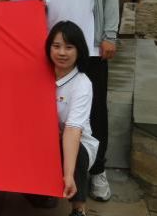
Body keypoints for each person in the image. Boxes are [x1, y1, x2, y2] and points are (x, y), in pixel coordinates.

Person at [28, 0, 119, 201]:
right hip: (54, 51)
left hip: (91, 47)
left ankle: (98, 170)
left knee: (96, 111)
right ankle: (51, 169)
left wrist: (109, 35)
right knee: (50, 111)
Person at [46, 20, 99, 216]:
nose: (62, 53)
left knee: (75, 153)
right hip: (45, 138)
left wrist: (68, 175)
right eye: (56, 46)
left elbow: (73, 130)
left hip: (76, 140)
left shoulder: (82, 84)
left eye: (69, 47)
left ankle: (78, 209)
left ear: (79, 50)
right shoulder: (40, 75)